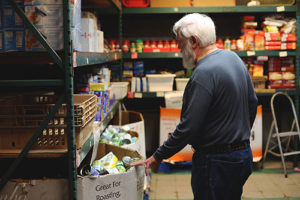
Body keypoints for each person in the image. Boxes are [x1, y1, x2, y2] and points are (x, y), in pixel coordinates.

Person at [131, 13, 258, 200]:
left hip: (216, 162)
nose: (179, 47)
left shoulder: (203, 73)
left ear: (194, 41)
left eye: (180, 42)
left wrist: (157, 156)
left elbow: (188, 127)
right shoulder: (234, 59)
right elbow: (252, 103)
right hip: (241, 157)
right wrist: (238, 136)